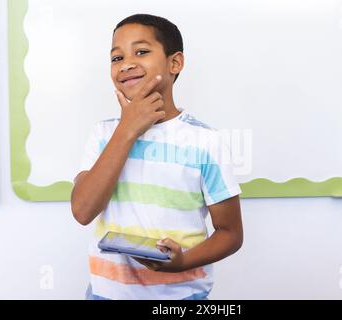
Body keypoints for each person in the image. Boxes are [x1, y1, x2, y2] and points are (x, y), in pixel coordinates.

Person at [71, 13, 243, 300]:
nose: (126, 64)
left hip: (181, 297)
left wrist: (183, 263)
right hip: (105, 295)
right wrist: (127, 129)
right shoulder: (102, 135)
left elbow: (230, 233)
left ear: (174, 63)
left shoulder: (205, 141)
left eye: (141, 52)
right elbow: (83, 211)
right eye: (116, 58)